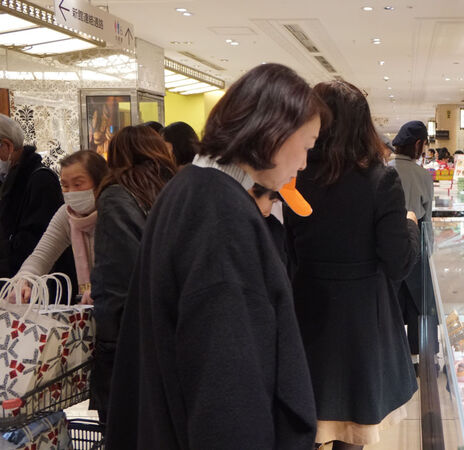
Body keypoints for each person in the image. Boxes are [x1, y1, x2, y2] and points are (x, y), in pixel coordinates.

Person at [105, 64, 326, 449]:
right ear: (274, 133)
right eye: (307, 145)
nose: (304, 164)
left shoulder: (190, 189)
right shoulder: (220, 215)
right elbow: (227, 381)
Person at [284, 80, 419, 450]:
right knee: (356, 422)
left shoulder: (294, 176)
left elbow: (289, 247)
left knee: (308, 415)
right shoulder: (380, 179)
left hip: (307, 307)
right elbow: (398, 263)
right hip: (363, 318)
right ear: (363, 125)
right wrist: (409, 223)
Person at [90, 125, 177, 423]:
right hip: (167, 328)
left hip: (125, 334)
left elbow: (120, 273)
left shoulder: (116, 195)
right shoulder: (172, 190)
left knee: (124, 425)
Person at [15, 151, 109, 304]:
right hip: (89, 306)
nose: (71, 192)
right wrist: (24, 279)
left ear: (100, 183)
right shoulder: (66, 215)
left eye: (78, 184)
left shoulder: (115, 213)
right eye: (65, 185)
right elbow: (40, 256)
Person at [0, 115, 75, 284]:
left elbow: (38, 245)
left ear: (7, 146)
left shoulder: (41, 179)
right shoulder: (9, 180)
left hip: (40, 286)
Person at [390, 121, 434, 364]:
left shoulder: (383, 171)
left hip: (388, 242)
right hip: (416, 240)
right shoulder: (422, 175)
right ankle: (420, 358)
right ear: (418, 144)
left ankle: (393, 357)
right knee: (420, 302)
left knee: (391, 303)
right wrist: (429, 251)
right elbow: (427, 217)